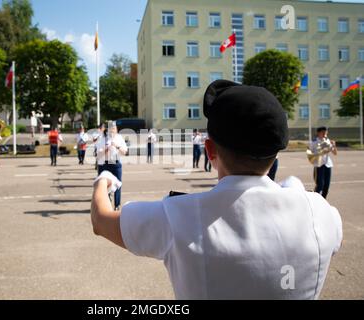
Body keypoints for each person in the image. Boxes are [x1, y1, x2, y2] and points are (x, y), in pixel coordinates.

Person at [90, 80, 342, 299]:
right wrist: (296, 192)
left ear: (210, 151)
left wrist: (103, 178)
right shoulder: (321, 214)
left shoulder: (177, 216)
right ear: (275, 153)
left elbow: (101, 221)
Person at [95, 121, 128, 211]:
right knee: (105, 186)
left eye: (114, 128)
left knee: (118, 185)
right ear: (107, 129)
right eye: (110, 128)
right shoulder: (103, 138)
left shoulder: (119, 138)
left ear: (116, 129)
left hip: (116, 163)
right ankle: (107, 204)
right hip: (105, 164)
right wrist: (106, 149)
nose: (112, 130)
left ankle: (117, 205)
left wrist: (117, 146)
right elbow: (98, 154)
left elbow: (125, 152)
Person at [310, 127, 337, 199]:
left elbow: (335, 153)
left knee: (326, 186)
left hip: (328, 165)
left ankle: (323, 200)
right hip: (319, 165)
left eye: (326, 132)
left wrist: (334, 145)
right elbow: (310, 154)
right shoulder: (314, 142)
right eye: (323, 132)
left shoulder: (327, 141)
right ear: (318, 133)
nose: (325, 134)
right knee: (320, 185)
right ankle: (315, 200)